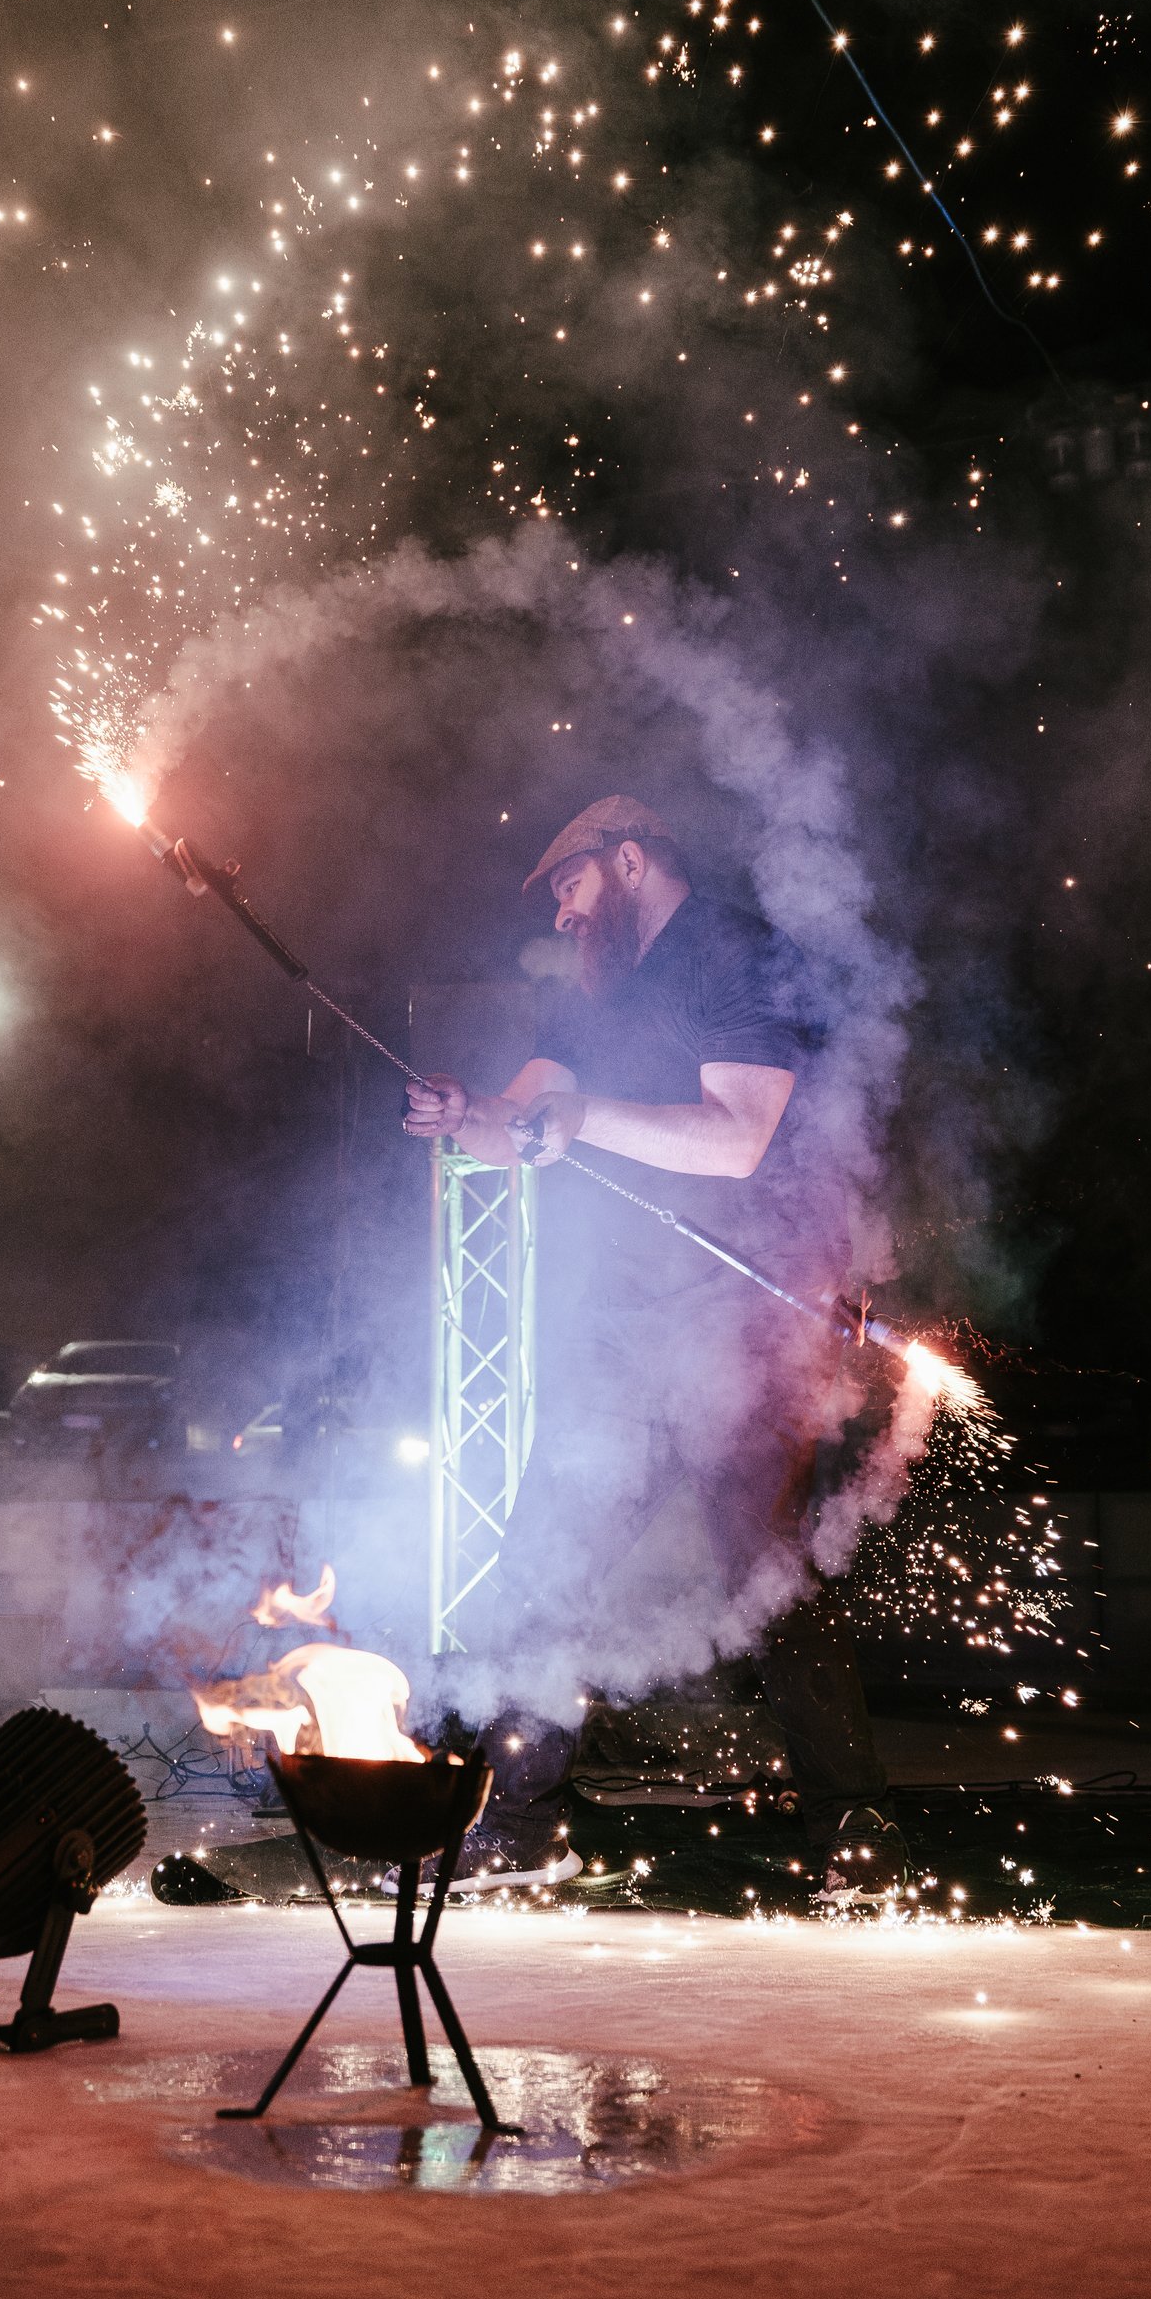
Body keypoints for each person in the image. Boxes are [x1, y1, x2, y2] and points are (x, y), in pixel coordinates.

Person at [403, 796, 889, 1872]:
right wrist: (463, 1112)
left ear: (627, 862)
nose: (566, 915)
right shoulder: (590, 994)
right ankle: (520, 1828)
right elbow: (522, 1118)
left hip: (746, 1325)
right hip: (622, 1333)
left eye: (572, 888)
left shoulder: (735, 953)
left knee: (769, 1572)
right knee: (543, 1563)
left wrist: (579, 1122)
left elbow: (739, 1140)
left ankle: (853, 1828)